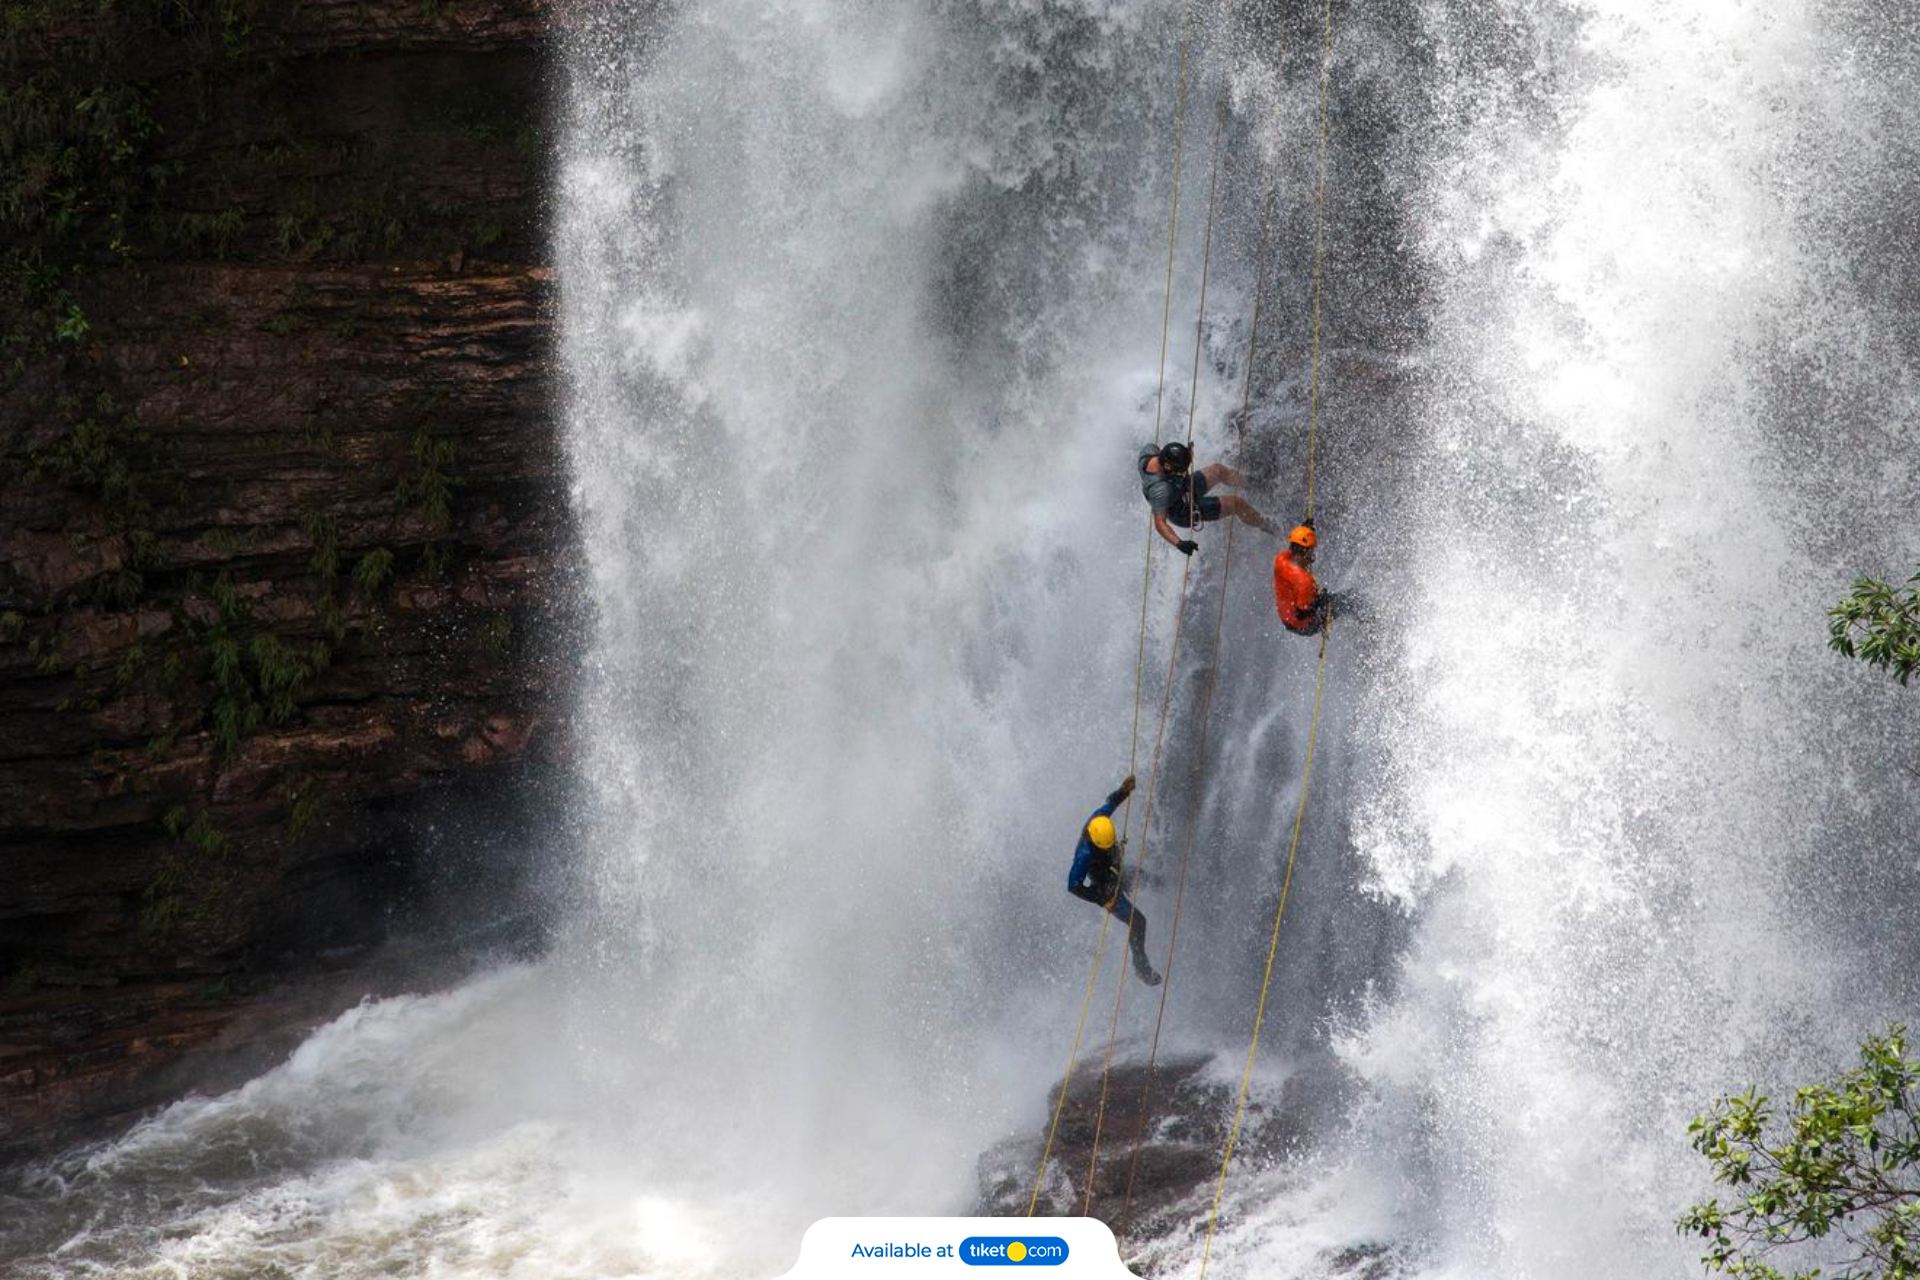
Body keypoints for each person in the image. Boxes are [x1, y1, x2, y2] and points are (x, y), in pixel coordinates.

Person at [1066, 775, 1162, 986]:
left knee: (1147, 878)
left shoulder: (1099, 820)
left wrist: (1124, 791)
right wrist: (1101, 897)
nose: (1110, 847)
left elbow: (1110, 803)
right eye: (1106, 847)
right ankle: (1141, 968)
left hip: (1113, 870)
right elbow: (1073, 886)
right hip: (1105, 886)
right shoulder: (1084, 856)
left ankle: (1165, 885)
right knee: (1139, 921)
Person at [1137, 440, 1277, 556]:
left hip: (1180, 487)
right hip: (1181, 509)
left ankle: (1255, 483)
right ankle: (1268, 525)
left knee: (1218, 470)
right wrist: (1179, 543)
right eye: (1181, 470)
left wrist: (1186, 455)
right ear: (1166, 466)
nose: (1184, 472)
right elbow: (1160, 523)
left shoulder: (1150, 452)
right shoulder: (1160, 490)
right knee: (1236, 503)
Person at [1273, 521, 1332, 635]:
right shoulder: (1305, 582)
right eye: (1312, 550)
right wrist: (1320, 603)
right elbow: (1303, 614)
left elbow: (1296, 548)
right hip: (1303, 625)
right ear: (1306, 552)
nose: (1313, 554)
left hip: (1286, 618)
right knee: (1349, 601)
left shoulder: (1280, 560)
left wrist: (1304, 531)